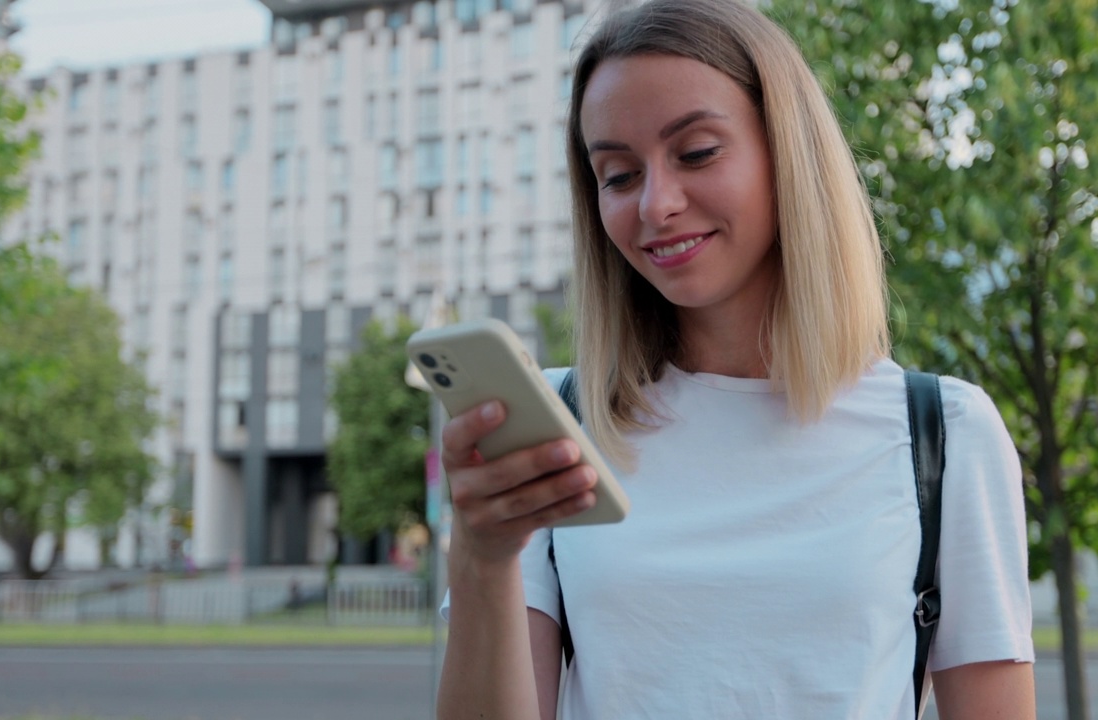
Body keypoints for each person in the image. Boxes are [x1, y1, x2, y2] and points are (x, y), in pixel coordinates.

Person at [436, 1, 1036, 718]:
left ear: (789, 154)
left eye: (695, 153)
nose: (656, 204)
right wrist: (482, 555)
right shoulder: (561, 429)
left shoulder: (944, 435)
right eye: (619, 175)